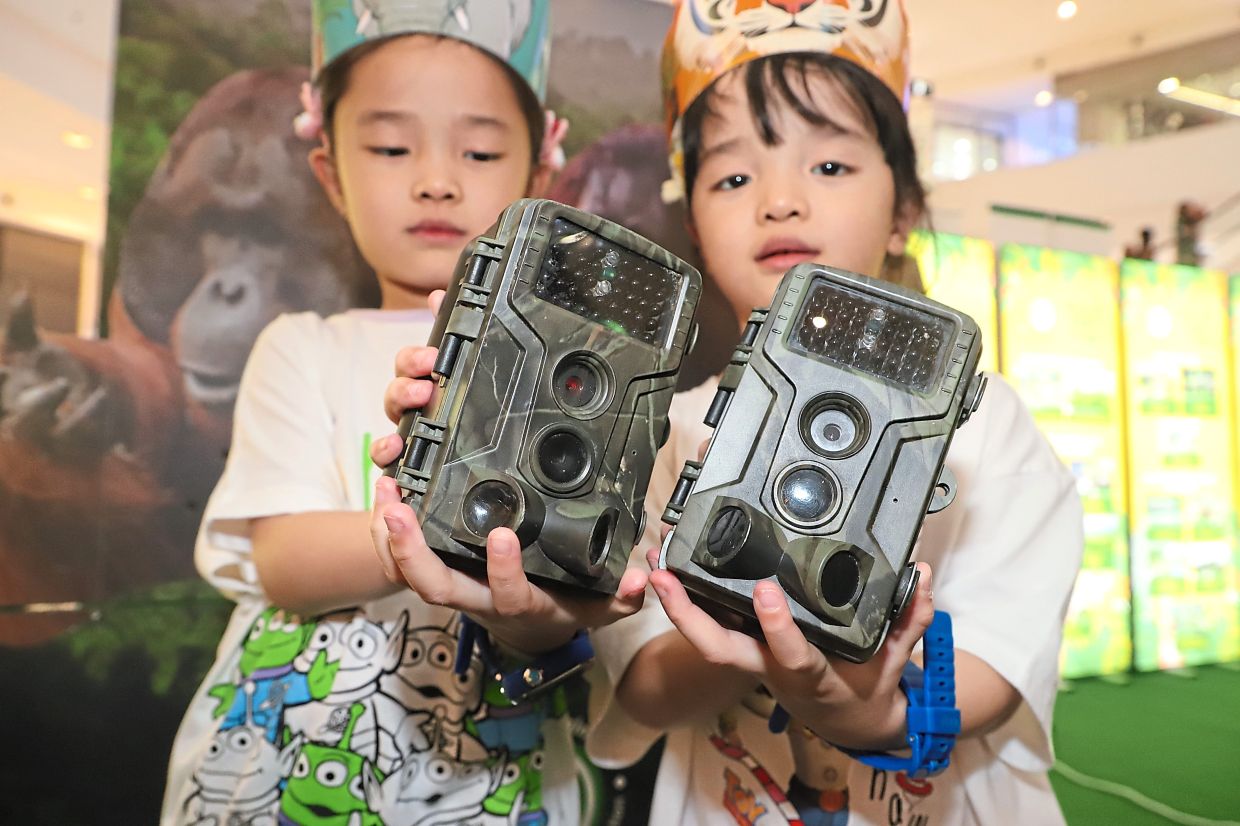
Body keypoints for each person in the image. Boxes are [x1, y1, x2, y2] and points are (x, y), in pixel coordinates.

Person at [157, 3, 614, 824]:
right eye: (392, 147)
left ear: (537, 176)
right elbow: (284, 561)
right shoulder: (302, 347)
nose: (435, 178)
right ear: (331, 172)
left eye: (478, 150)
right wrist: (413, 523)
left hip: (486, 765)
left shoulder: (571, 374)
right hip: (290, 752)